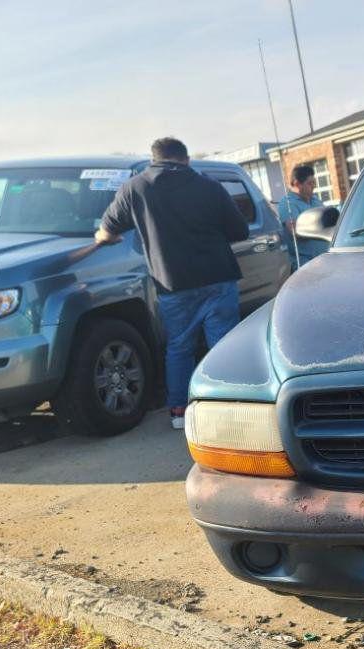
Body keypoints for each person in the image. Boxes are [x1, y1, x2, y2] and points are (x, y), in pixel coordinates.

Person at [94, 137, 249, 430]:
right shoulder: (209, 186)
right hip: (218, 276)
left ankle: (179, 411)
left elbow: (107, 231)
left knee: (179, 346)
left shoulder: (135, 188)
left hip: (173, 283)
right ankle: (230, 408)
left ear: (154, 160)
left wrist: (105, 237)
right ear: (186, 159)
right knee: (223, 346)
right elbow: (239, 230)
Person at [277, 163, 329, 267]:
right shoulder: (287, 203)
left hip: (326, 259)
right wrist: (322, 225)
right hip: (306, 264)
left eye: (314, 182)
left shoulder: (315, 200)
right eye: (310, 183)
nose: (314, 186)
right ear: (297, 184)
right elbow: (296, 230)